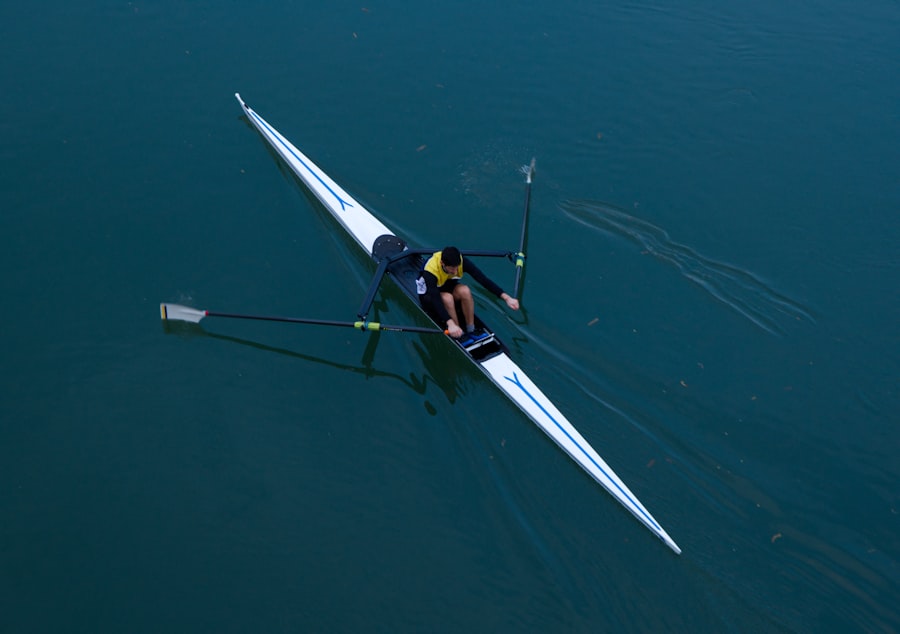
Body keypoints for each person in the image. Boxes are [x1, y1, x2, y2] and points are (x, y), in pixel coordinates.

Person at [416, 246, 520, 339]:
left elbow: (483, 279)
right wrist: (450, 323)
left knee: (465, 290)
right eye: (452, 268)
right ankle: (457, 332)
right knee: (447, 298)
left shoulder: (462, 261)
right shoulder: (430, 271)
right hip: (428, 295)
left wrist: (507, 298)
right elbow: (435, 298)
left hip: (445, 286)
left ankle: (471, 330)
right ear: (442, 263)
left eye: (457, 267)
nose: (455, 271)